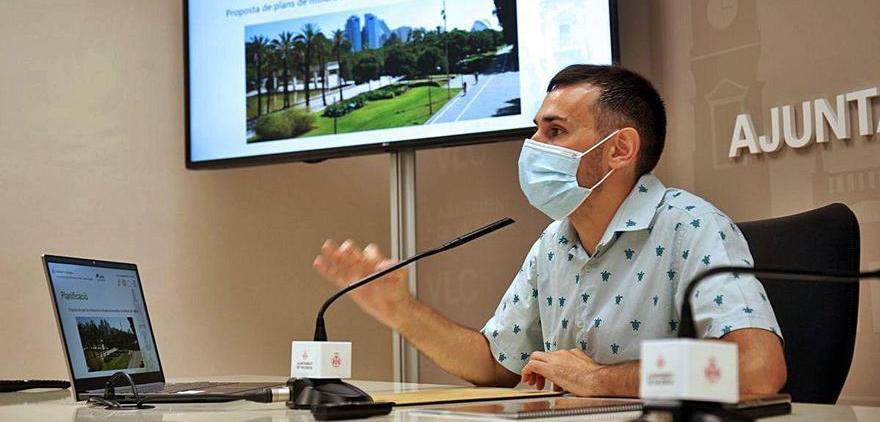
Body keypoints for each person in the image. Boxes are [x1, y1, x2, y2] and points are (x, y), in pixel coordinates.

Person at [313, 64, 787, 396]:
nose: (532, 145)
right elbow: (495, 362)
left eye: (554, 131)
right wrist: (401, 310)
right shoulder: (554, 241)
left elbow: (756, 369)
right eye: (536, 129)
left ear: (620, 148)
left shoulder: (693, 225)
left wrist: (601, 379)